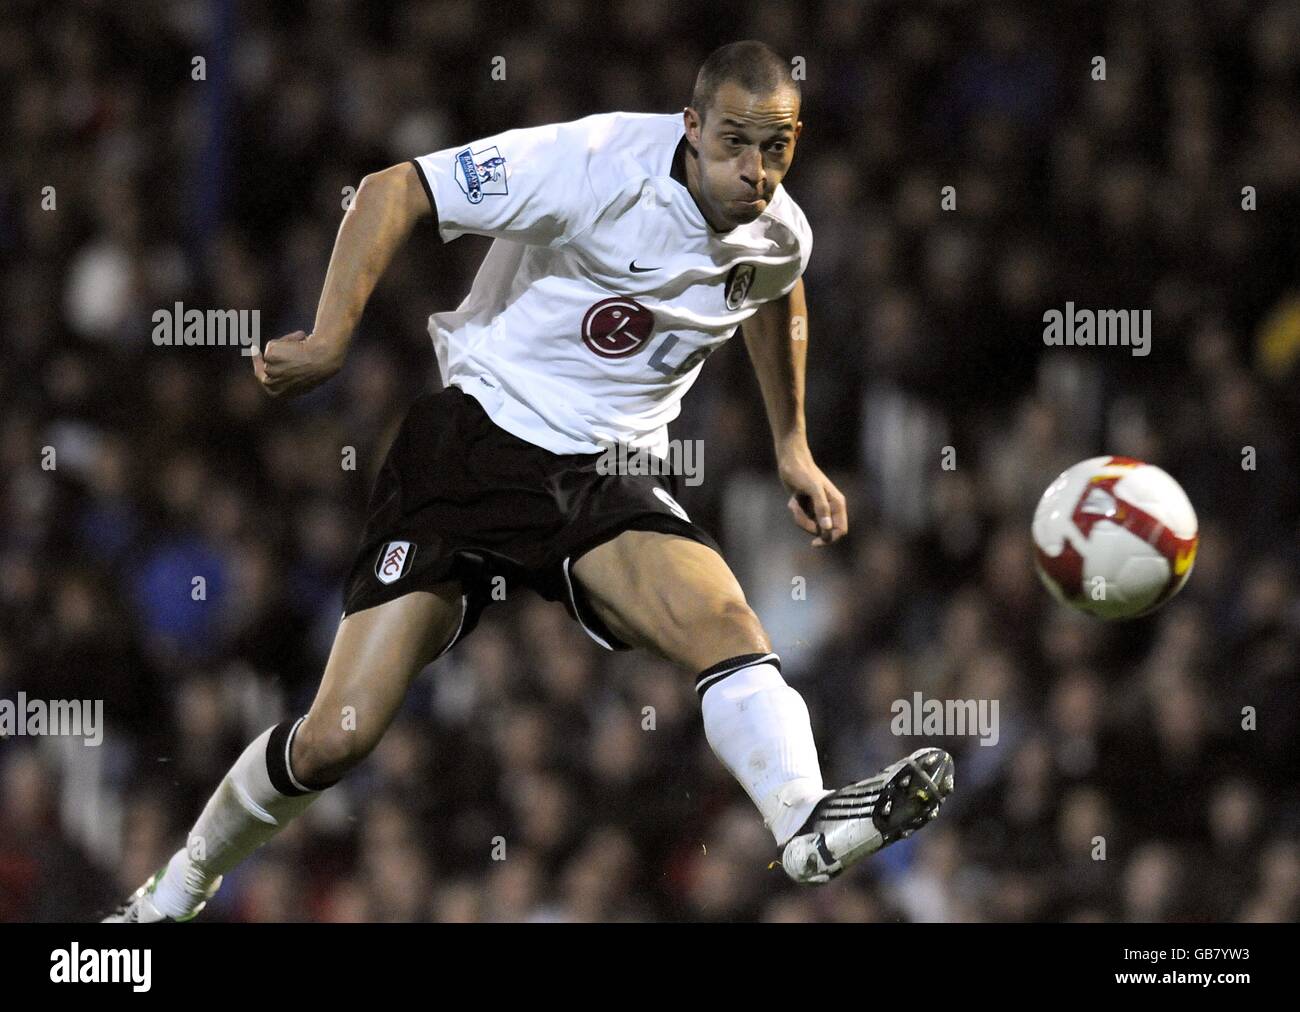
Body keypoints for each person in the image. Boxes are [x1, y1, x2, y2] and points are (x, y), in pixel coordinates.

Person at [106, 39, 953, 923]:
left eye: (775, 147)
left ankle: (802, 823)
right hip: (476, 442)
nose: (755, 169)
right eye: (735, 142)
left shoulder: (782, 229)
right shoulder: (591, 165)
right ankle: (175, 893)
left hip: (604, 474)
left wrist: (794, 446)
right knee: (335, 740)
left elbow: (778, 290)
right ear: (692, 126)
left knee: (727, 620)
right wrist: (327, 337)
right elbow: (398, 187)